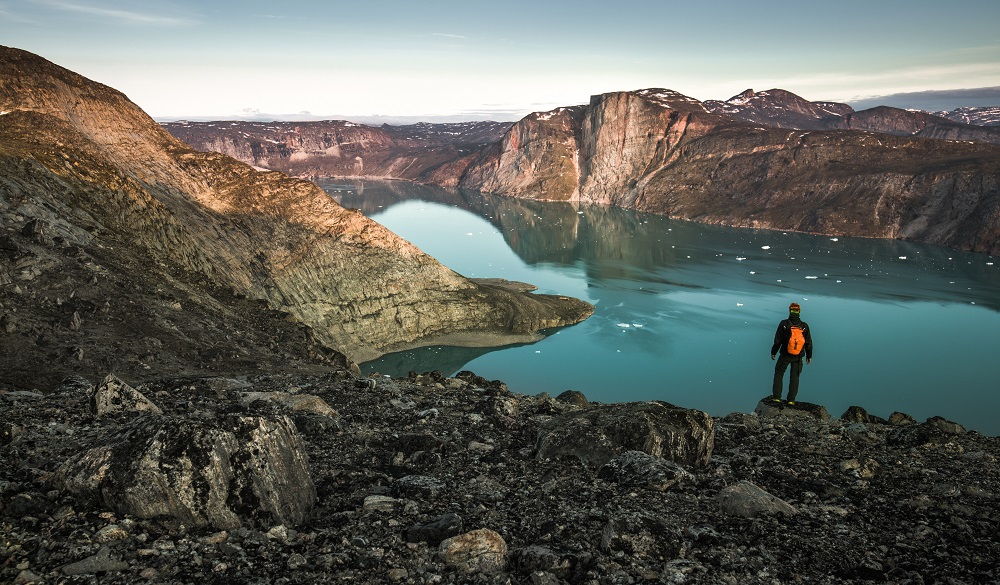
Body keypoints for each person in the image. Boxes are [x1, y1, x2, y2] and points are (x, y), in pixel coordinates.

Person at [770, 302, 813, 404]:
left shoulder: (784, 324)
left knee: (779, 374)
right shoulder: (804, 326)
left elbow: (777, 341)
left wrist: (773, 352)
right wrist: (809, 356)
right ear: (799, 312)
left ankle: (776, 397)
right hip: (798, 356)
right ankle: (791, 400)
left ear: (790, 311)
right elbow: (808, 343)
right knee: (794, 377)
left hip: (785, 354)